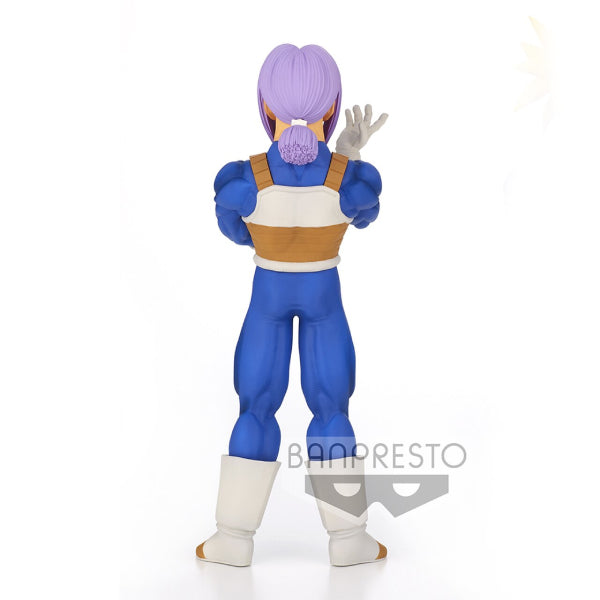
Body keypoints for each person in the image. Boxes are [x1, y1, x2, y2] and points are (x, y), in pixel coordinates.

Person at [197, 44, 388, 567]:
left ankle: (232, 539)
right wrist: (347, 155)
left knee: (255, 409)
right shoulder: (350, 179)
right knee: (332, 410)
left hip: (267, 302)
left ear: (265, 106)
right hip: (325, 302)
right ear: (333, 108)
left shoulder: (243, 179)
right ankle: (348, 540)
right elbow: (364, 216)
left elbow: (236, 232)